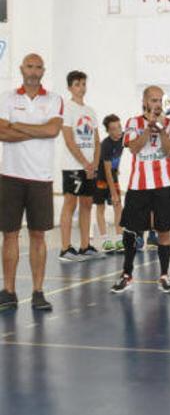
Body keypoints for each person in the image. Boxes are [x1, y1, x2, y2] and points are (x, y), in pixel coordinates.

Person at [0, 53, 63, 312]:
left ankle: (38, 292)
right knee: (9, 235)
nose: (33, 71)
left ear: (43, 70)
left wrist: (18, 126)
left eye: (38, 67)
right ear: (21, 68)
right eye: (29, 66)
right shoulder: (7, 98)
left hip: (40, 178)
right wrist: (37, 129)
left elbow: (53, 131)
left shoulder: (55, 99)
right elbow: (2, 133)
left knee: (38, 236)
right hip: (10, 177)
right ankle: (9, 291)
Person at [110, 85, 170, 294]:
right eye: (152, 100)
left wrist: (161, 129)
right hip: (139, 185)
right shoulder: (133, 122)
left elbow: (169, 152)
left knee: (164, 230)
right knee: (131, 229)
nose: (157, 104)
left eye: (160, 100)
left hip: (164, 184)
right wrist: (148, 128)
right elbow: (133, 148)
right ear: (144, 102)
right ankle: (126, 274)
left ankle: (164, 275)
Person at [58, 70, 101, 261]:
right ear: (69, 87)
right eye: (77, 84)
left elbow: (97, 141)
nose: (81, 88)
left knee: (87, 204)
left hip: (90, 167)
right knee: (70, 203)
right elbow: (68, 140)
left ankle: (85, 246)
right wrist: (84, 163)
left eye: (83, 84)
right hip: (73, 166)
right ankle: (66, 249)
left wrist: (94, 164)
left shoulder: (90, 111)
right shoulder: (67, 109)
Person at [95, 114, 125, 253]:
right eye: (113, 128)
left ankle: (119, 239)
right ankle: (105, 240)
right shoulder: (105, 145)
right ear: (108, 131)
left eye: (119, 127)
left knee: (118, 206)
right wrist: (113, 193)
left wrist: (117, 169)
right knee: (101, 207)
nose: (118, 131)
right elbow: (106, 171)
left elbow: (118, 156)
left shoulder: (123, 137)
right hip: (101, 177)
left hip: (113, 175)